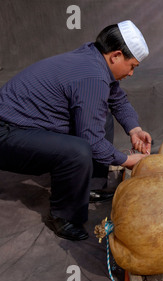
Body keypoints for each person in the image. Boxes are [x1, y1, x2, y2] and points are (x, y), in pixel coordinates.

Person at [0, 20, 152, 241]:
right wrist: (126, 160)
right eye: (132, 66)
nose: (131, 74)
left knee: (103, 118)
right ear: (116, 55)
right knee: (78, 149)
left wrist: (134, 129)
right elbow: (92, 142)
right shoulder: (92, 76)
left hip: (27, 125)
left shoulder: (93, 57)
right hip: (6, 132)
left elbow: (117, 100)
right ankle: (64, 216)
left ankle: (88, 185)